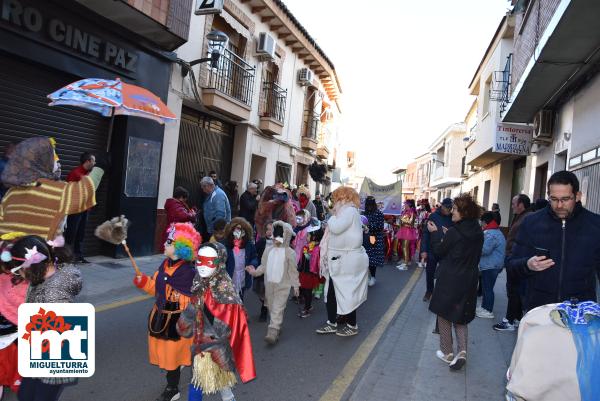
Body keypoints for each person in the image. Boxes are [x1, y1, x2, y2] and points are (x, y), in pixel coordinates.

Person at [507, 171, 600, 312]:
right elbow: (511, 264)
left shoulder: (595, 225)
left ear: (578, 196)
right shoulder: (532, 222)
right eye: (554, 199)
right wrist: (527, 265)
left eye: (565, 199)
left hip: (580, 313)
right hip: (539, 310)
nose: (559, 205)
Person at [176, 242, 256, 401]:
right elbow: (188, 319)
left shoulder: (225, 289)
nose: (202, 266)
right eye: (200, 260)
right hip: (200, 343)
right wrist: (185, 322)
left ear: (219, 263)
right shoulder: (199, 283)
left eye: (209, 261)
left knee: (215, 378)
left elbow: (233, 322)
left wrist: (212, 330)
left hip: (216, 345)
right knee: (204, 380)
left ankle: (228, 398)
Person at [132, 223, 201, 401]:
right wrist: (144, 282)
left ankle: (172, 389)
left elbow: (191, 300)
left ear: (180, 249)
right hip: (161, 318)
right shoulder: (164, 265)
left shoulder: (188, 272)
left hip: (178, 323)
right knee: (166, 355)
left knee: (172, 357)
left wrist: (175, 294)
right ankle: (176, 368)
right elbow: (156, 289)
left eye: (169, 242)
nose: (164, 244)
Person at [10, 235, 81, 401]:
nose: (19, 274)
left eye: (19, 269)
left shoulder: (53, 294)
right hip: (39, 351)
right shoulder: (48, 275)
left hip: (52, 359)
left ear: (32, 266)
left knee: (34, 397)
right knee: (25, 395)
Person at [0, 138, 105, 242]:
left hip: (8, 253)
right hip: (40, 252)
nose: (58, 160)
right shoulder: (57, 190)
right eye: (54, 157)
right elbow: (84, 192)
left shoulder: (11, 191)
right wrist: (99, 166)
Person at [427, 193, 483, 371]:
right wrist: (448, 235)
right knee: (461, 317)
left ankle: (447, 352)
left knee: (443, 314)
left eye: (456, 210)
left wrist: (435, 234)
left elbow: (439, 251)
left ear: (464, 213)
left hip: (450, 278)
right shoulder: (478, 232)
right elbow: (463, 247)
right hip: (469, 279)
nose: (452, 212)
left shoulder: (454, 232)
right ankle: (463, 351)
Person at [316, 187, 369, 337]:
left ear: (344, 198)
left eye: (337, 198)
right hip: (340, 260)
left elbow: (336, 227)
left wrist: (330, 218)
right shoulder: (345, 212)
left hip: (346, 260)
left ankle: (352, 325)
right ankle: (331, 323)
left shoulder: (349, 211)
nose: (335, 201)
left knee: (346, 293)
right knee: (333, 292)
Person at [246, 221, 299, 344]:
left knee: (278, 308)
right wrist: (254, 272)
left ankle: (273, 330)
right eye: (275, 237)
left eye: (280, 237)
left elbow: (293, 271)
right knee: (271, 307)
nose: (276, 240)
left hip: (283, 286)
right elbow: (263, 266)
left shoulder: (289, 253)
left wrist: (296, 285)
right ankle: (277, 325)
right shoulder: (268, 250)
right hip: (269, 285)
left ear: (286, 237)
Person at [493, 194, 531, 332]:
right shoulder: (521, 216)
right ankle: (516, 318)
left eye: (514, 203)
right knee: (515, 290)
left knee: (514, 290)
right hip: (515, 259)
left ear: (521, 204)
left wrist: (512, 257)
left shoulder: (527, 218)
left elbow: (523, 241)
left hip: (517, 260)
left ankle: (510, 320)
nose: (512, 205)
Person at [63, 151, 96, 263]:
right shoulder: (75, 173)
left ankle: (78, 256)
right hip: (75, 209)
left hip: (85, 209)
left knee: (81, 233)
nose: (94, 163)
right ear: (88, 161)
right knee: (71, 233)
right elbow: (68, 191)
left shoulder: (87, 174)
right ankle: (66, 256)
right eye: (93, 160)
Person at [420, 198, 453, 302]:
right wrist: (423, 250)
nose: (448, 210)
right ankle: (429, 291)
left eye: (450, 208)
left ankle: (439, 294)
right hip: (432, 250)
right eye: (446, 207)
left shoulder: (452, 218)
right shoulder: (433, 216)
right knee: (429, 272)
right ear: (442, 206)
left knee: (443, 274)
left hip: (445, 251)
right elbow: (425, 233)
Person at [476, 211, 506, 319]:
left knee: (488, 288)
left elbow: (485, 250)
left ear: (485, 222)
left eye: (482, 222)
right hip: (492, 264)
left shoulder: (491, 233)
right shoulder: (493, 231)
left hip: (491, 265)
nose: (481, 224)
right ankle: (484, 307)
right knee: (486, 287)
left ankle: (488, 310)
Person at [224, 217, 258, 301]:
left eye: (241, 232)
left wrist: (252, 264)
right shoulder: (226, 245)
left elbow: (254, 257)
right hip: (230, 277)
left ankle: (239, 312)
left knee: (240, 299)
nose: (238, 235)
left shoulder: (249, 245)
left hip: (243, 277)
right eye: (236, 231)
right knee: (229, 300)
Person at [297, 221, 323, 318]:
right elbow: (303, 257)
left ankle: (307, 308)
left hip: (310, 273)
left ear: (314, 237)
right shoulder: (308, 246)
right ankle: (308, 305)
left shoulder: (317, 248)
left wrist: (307, 253)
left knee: (307, 292)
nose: (306, 237)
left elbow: (313, 259)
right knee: (303, 290)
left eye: (308, 235)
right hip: (303, 272)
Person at [162, 186, 197, 250]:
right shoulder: (175, 205)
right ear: (181, 197)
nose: (185, 201)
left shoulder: (173, 204)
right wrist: (192, 216)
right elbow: (183, 216)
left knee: (172, 251)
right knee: (174, 252)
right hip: (175, 233)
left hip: (173, 232)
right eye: (185, 198)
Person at [254, 220, 274, 321]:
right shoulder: (262, 241)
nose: (269, 232)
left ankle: (264, 311)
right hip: (262, 270)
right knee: (260, 291)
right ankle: (264, 303)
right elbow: (254, 251)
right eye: (267, 230)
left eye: (271, 230)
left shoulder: (278, 242)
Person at [363, 196, 384, 287]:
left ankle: (373, 277)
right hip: (365, 237)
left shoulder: (378, 213)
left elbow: (380, 226)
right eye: (368, 205)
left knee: (372, 257)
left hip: (373, 237)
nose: (369, 207)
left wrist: (368, 227)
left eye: (371, 205)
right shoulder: (364, 213)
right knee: (364, 257)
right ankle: (366, 276)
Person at [396, 200, 418, 270]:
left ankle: (405, 264)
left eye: (405, 204)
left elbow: (411, 223)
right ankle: (405, 261)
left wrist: (401, 219)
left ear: (409, 205)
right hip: (403, 230)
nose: (404, 205)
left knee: (405, 247)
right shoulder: (405, 212)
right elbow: (402, 221)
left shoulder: (412, 212)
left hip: (408, 232)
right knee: (403, 246)